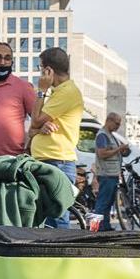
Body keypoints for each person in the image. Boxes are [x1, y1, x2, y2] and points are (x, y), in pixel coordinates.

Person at [27, 47, 83, 228]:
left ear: (48, 70)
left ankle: (62, 256)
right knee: (48, 219)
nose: (40, 72)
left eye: (41, 68)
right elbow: (33, 128)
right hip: (49, 160)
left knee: (58, 217)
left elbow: (35, 120)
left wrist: (41, 91)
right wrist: (38, 129)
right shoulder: (59, 93)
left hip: (57, 162)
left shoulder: (67, 92)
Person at [92, 112, 130, 228]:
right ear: (109, 120)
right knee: (102, 203)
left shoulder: (110, 135)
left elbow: (111, 152)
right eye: (117, 124)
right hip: (106, 174)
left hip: (112, 174)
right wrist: (119, 148)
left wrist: (121, 150)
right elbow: (102, 153)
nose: (118, 127)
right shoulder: (102, 135)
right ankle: (95, 229)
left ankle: (105, 227)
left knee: (107, 203)